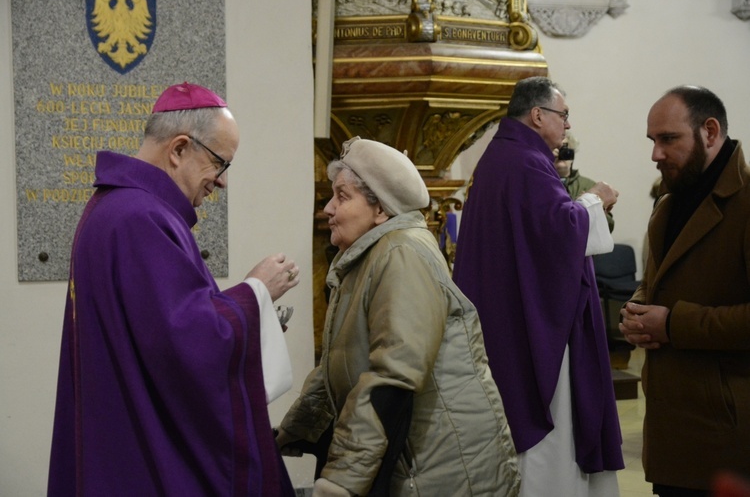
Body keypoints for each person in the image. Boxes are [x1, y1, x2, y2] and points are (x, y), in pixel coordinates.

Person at [47, 82, 299, 496]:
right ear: (180, 149)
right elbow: (186, 343)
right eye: (220, 163)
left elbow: (159, 331)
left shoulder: (117, 208)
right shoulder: (140, 218)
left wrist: (246, 316)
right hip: (141, 458)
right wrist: (255, 294)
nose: (221, 182)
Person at [276, 136, 520, 496]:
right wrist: (290, 432)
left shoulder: (402, 253)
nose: (329, 208)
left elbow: (392, 375)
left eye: (342, 197)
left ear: (381, 209)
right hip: (414, 461)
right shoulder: (370, 255)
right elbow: (339, 365)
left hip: (441, 470)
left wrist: (343, 479)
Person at [452, 76, 625, 496]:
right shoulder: (526, 161)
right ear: (537, 115)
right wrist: (594, 201)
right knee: (554, 424)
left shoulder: (505, 154)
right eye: (563, 116)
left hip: (508, 311)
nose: (567, 126)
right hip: (535, 323)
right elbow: (560, 232)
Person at [620, 85, 750, 496]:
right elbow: (659, 284)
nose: (656, 153)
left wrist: (673, 324)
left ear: (710, 132)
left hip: (727, 437)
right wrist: (638, 311)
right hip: (674, 434)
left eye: (668, 139)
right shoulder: (670, 203)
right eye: (653, 140)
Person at [554, 134, 615, 232]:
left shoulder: (590, 186)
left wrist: (595, 208)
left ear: (573, 154)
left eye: (566, 149)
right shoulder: (543, 183)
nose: (562, 154)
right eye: (558, 148)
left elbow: (609, 227)